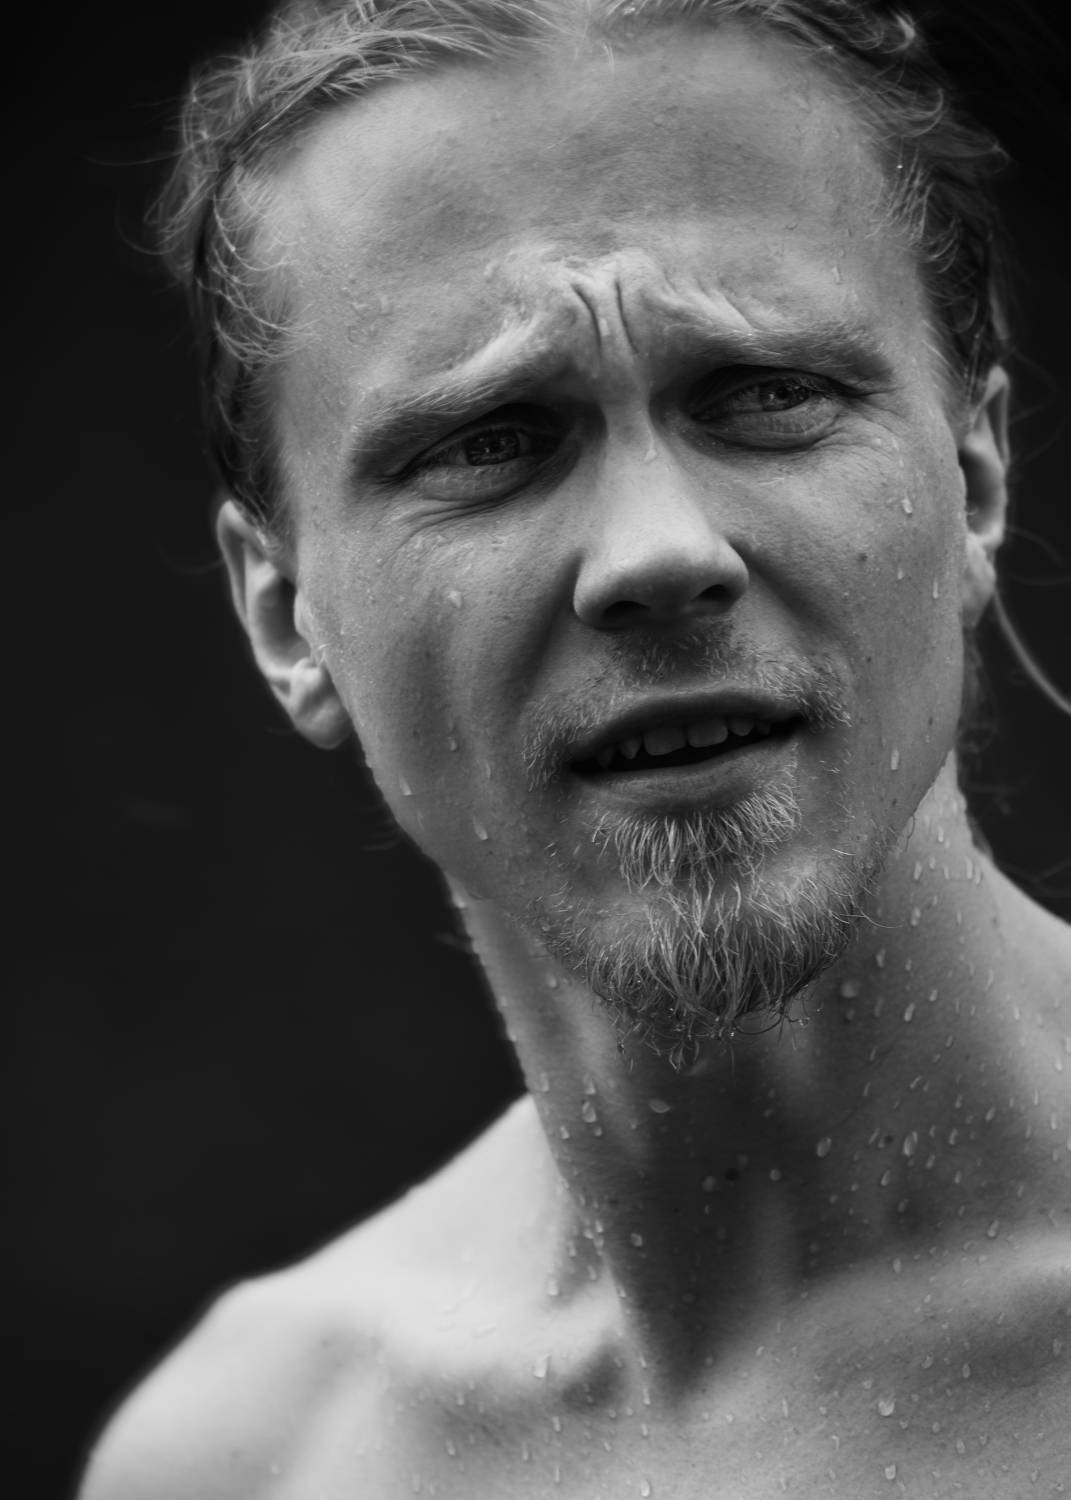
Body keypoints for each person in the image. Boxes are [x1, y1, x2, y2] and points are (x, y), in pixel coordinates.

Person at [79, 0, 1070, 1494]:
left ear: (976, 478)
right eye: (488, 441)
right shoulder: (256, 1456)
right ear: (286, 617)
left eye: (768, 393)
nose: (659, 553)